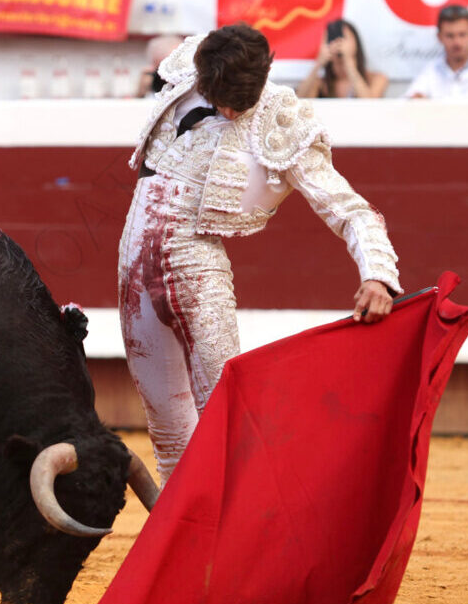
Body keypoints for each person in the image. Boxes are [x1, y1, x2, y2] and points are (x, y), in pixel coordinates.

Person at [120, 24, 402, 484]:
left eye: (239, 102)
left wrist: (378, 274)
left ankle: (244, 547)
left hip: (198, 270)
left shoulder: (281, 120)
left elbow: (350, 210)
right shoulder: (188, 68)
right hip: (131, 268)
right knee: (168, 435)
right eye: (221, 98)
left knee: (224, 424)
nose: (229, 109)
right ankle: (186, 549)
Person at [405, 4, 468, 100]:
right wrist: (415, 100)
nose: (457, 42)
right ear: (439, 37)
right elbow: (407, 102)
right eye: (450, 36)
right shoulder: (431, 70)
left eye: (462, 35)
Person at [296, 19, 388, 98]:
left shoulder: (376, 78)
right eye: (331, 38)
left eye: (343, 37)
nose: (337, 42)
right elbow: (298, 102)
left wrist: (349, 64)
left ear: (356, 42)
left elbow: (371, 106)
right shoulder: (319, 84)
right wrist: (318, 64)